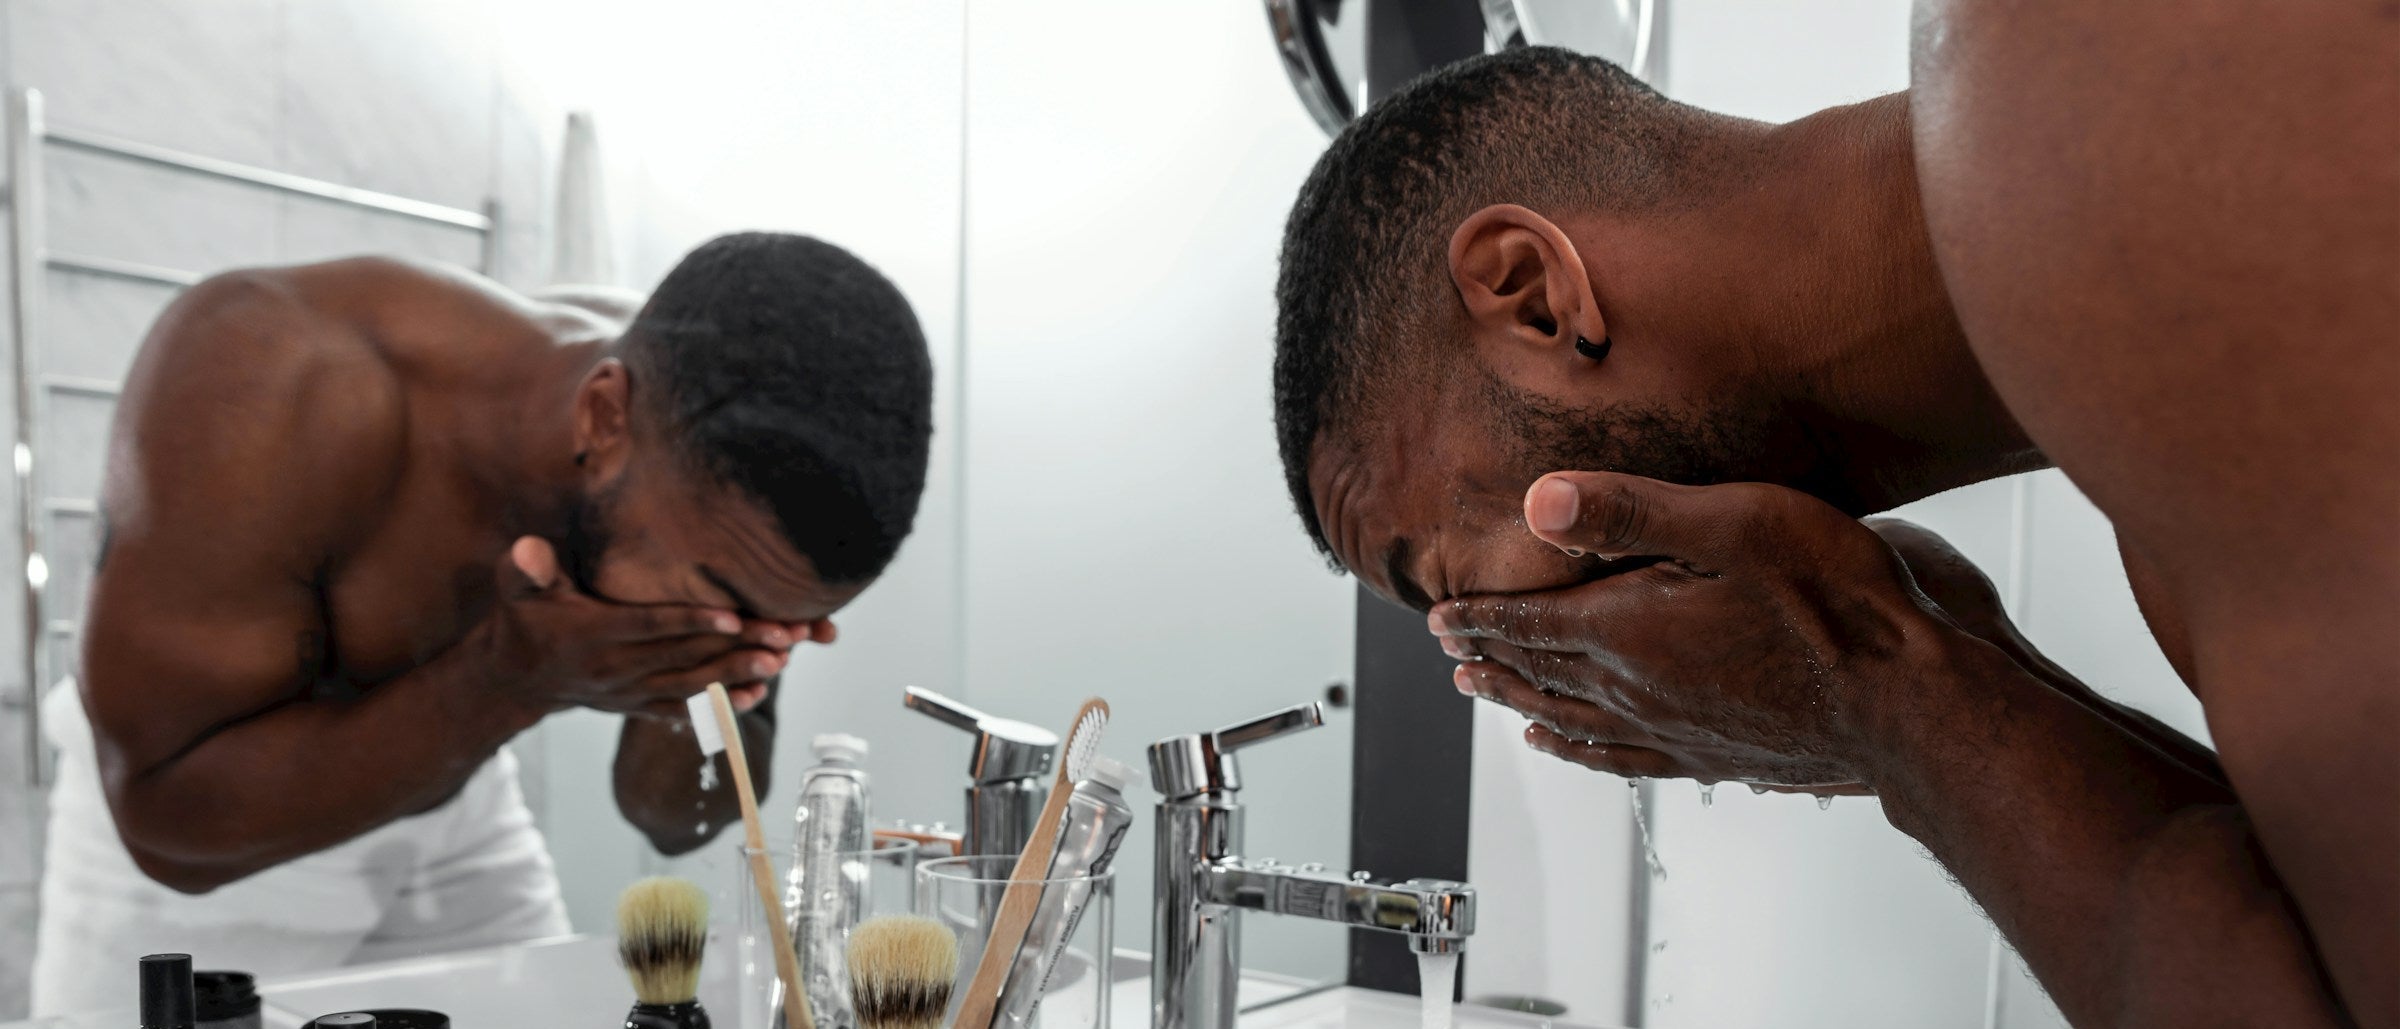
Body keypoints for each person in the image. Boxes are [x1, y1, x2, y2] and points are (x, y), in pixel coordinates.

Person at [1271, 17, 2395, 1027]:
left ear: (1533, 295)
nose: (1498, 633)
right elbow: (2310, 935)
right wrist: (1954, 665)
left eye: (1447, 580)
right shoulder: (2158, 422)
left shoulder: (2100, 95)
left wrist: (1885, 695)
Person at [32, 232, 935, 1013]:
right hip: (218, 817)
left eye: (779, 623)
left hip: (455, 800)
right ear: (601, 417)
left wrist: (701, 680)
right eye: (727, 598)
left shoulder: (738, 480)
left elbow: (672, 813)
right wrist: (512, 678)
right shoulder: (275, 373)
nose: (735, 626)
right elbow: (165, 829)